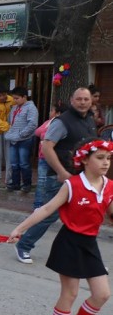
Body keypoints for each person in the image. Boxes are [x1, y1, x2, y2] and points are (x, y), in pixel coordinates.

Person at [8, 140, 113, 315]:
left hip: (90, 243)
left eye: (108, 158)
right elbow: (46, 209)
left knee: (102, 294)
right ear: (84, 160)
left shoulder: (109, 186)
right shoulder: (72, 185)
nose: (106, 163)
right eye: (100, 158)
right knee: (70, 293)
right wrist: (20, 229)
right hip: (69, 242)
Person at [14, 87, 97, 263]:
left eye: (86, 99)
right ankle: (23, 245)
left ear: (91, 101)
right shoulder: (62, 121)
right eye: (79, 99)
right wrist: (61, 172)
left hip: (81, 178)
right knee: (49, 214)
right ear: (72, 100)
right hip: (61, 177)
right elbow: (46, 146)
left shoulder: (90, 119)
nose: (83, 102)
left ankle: (78, 252)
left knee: (80, 216)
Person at [4, 87, 39, 192]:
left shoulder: (31, 108)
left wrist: (21, 134)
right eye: (14, 98)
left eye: (17, 98)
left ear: (24, 97)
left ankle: (26, 184)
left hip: (25, 139)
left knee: (24, 162)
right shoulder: (14, 108)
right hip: (14, 139)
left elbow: (32, 124)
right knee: (14, 162)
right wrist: (11, 133)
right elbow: (11, 122)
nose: (15, 100)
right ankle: (15, 183)